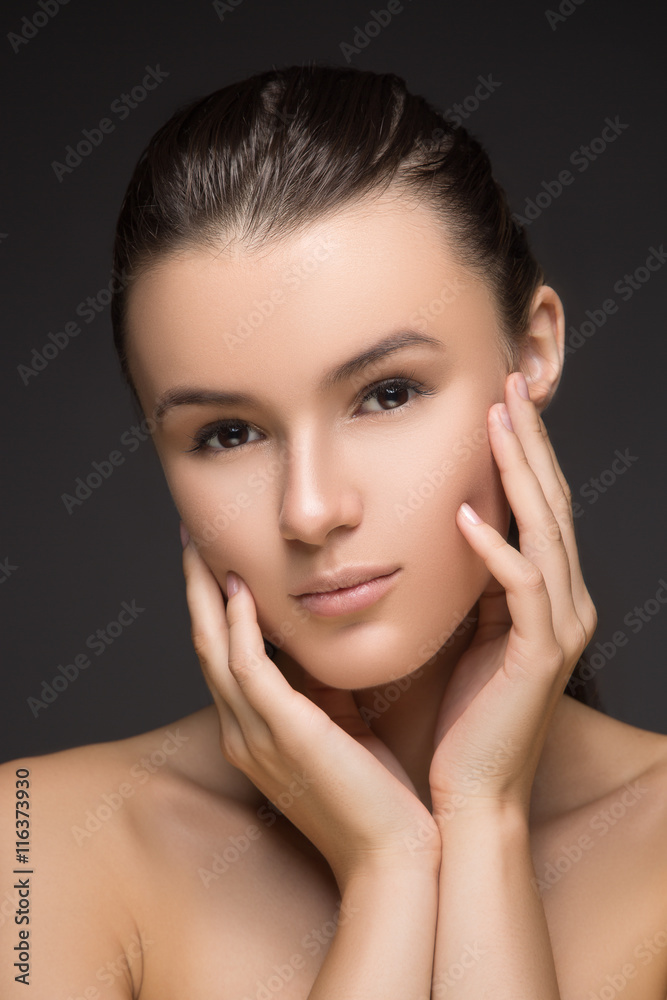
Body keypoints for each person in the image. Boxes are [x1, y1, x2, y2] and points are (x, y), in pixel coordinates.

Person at [2, 62, 666, 999]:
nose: (310, 509)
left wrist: (483, 818)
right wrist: (391, 872)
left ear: (532, 351)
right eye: (226, 434)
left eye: (386, 394)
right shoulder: (26, 845)